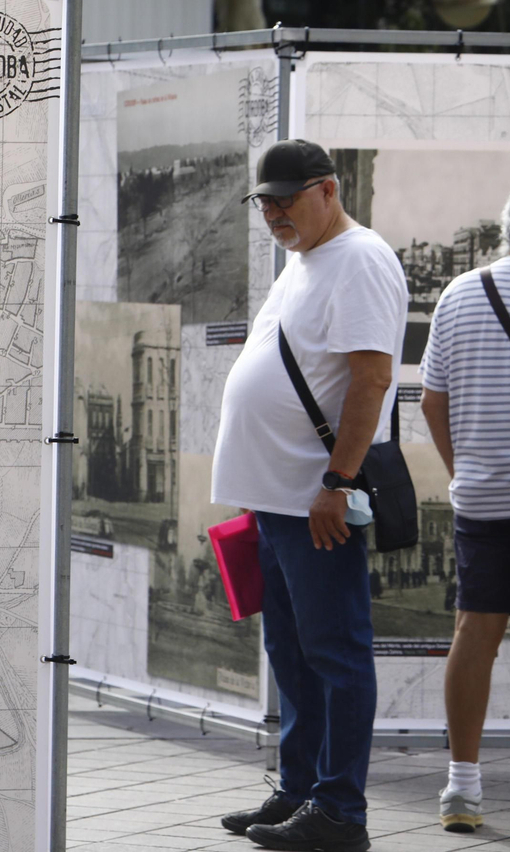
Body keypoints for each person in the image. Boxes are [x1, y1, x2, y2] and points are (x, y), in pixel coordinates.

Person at [211, 140, 406, 852]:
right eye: (263, 202)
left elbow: (371, 379)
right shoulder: (306, 260)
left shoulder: (358, 259)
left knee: (335, 653)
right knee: (293, 654)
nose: (271, 213)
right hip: (278, 498)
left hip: (313, 499)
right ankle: (299, 789)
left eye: (285, 199)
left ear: (328, 190)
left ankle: (339, 812)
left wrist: (336, 481)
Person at [419, 178, 510, 838]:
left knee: (475, 633)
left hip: (482, 496)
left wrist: (462, 469)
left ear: (508, 228)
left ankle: (461, 790)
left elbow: (431, 400)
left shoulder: (459, 293)